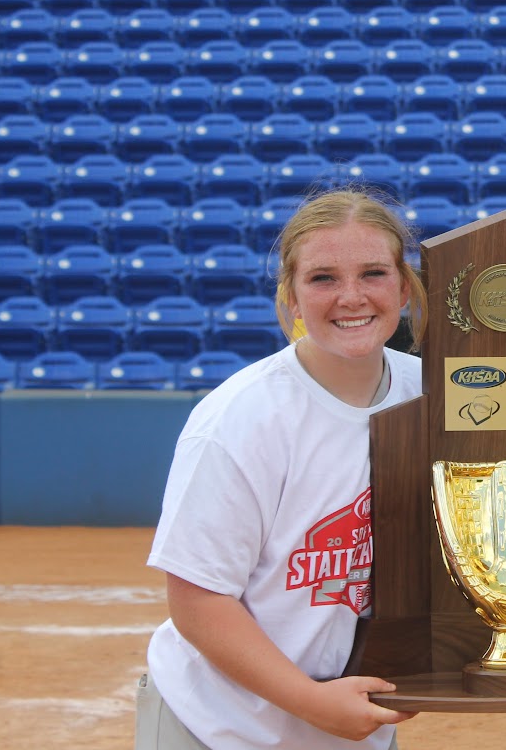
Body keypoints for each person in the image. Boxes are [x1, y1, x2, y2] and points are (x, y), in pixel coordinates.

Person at [138, 189, 427, 750]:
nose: (351, 297)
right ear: (291, 298)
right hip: (219, 728)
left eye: (373, 273)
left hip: (356, 731)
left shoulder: (432, 395)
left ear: (404, 287)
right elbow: (198, 601)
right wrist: (310, 701)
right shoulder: (238, 419)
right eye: (322, 278)